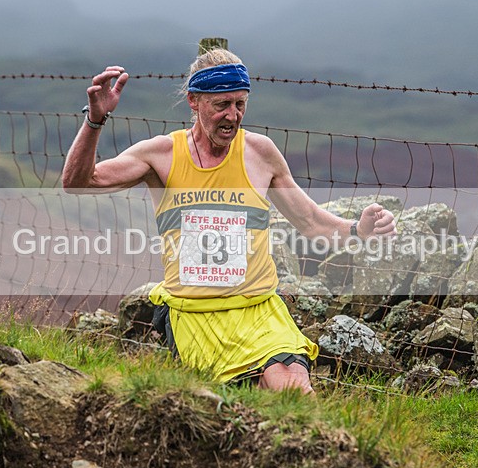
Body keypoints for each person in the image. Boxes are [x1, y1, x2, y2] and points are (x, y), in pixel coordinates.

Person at [62, 49, 396, 394]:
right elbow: (79, 182)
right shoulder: (161, 155)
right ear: (194, 101)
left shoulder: (260, 153)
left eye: (240, 104)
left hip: (259, 308)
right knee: (232, 403)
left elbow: (311, 221)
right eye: (221, 105)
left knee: (295, 392)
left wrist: (359, 229)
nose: (232, 116)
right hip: (195, 314)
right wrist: (94, 122)